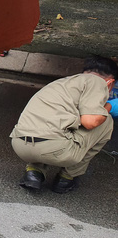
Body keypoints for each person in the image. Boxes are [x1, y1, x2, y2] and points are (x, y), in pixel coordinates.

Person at [11, 55, 118, 193]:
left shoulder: (64, 83)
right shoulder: (99, 83)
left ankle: (34, 173)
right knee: (105, 121)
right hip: (55, 150)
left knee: (51, 126)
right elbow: (90, 122)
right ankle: (66, 179)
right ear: (110, 83)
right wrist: (109, 106)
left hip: (19, 145)